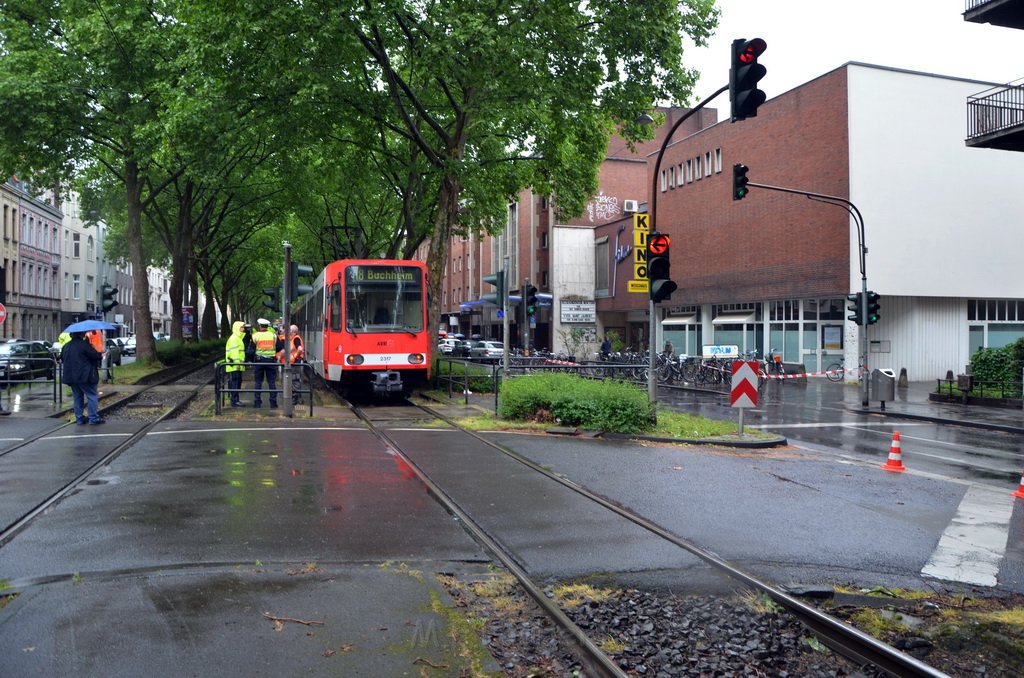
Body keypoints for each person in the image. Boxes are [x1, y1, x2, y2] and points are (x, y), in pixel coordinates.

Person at [61, 331, 104, 425]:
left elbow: (62, 358)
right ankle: (93, 418)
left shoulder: (66, 346)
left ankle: (79, 418)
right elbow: (96, 356)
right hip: (85, 376)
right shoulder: (84, 345)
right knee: (92, 395)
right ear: (81, 334)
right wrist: (92, 346)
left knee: (77, 397)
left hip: (71, 377)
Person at [251, 318, 282, 408]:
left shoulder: (255, 336)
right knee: (272, 382)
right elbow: (279, 347)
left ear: (260, 326)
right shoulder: (273, 336)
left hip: (259, 361)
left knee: (258, 382)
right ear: (267, 326)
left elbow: (251, 350)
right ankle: (273, 403)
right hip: (270, 362)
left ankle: (257, 403)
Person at [278, 324, 306, 404]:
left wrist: (295, 356)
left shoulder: (296, 338)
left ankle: (296, 398)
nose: (288, 331)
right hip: (292, 362)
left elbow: (300, 349)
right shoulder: (292, 338)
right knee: (291, 379)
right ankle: (293, 396)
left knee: (294, 379)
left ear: (293, 332)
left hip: (295, 362)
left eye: (289, 330)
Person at [224, 320, 247, 407]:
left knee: (237, 382)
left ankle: (235, 400)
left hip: (236, 365)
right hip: (235, 366)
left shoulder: (237, 338)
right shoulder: (234, 338)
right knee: (235, 383)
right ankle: (235, 401)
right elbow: (234, 353)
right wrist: (237, 364)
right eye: (242, 327)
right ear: (237, 328)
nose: (243, 329)